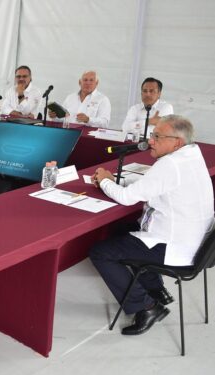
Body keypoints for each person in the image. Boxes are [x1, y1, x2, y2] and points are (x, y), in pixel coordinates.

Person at [89, 115, 213, 335]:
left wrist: (106, 180)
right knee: (121, 230)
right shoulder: (190, 155)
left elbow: (127, 198)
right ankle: (157, 290)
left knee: (100, 252)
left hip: (175, 246)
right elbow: (153, 185)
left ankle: (146, 307)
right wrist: (117, 180)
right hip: (199, 244)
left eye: (157, 136)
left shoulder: (170, 163)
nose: (151, 141)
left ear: (176, 142)